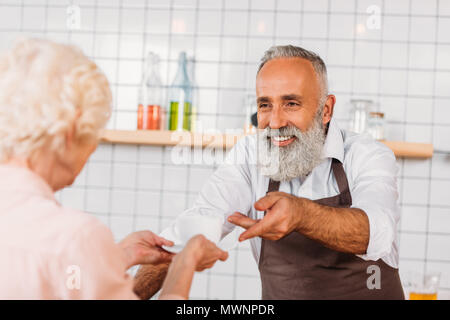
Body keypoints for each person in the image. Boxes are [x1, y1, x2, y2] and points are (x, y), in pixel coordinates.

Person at [136, 45, 405, 300]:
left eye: (291, 104)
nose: (275, 122)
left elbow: (376, 232)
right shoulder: (248, 156)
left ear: (326, 110)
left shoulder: (367, 155)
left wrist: (301, 214)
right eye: (265, 105)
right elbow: (195, 227)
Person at [0, 38, 228, 300]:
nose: (93, 148)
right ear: (72, 132)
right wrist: (185, 262)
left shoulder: (69, 243)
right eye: (96, 134)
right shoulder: (76, 236)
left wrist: (118, 257)